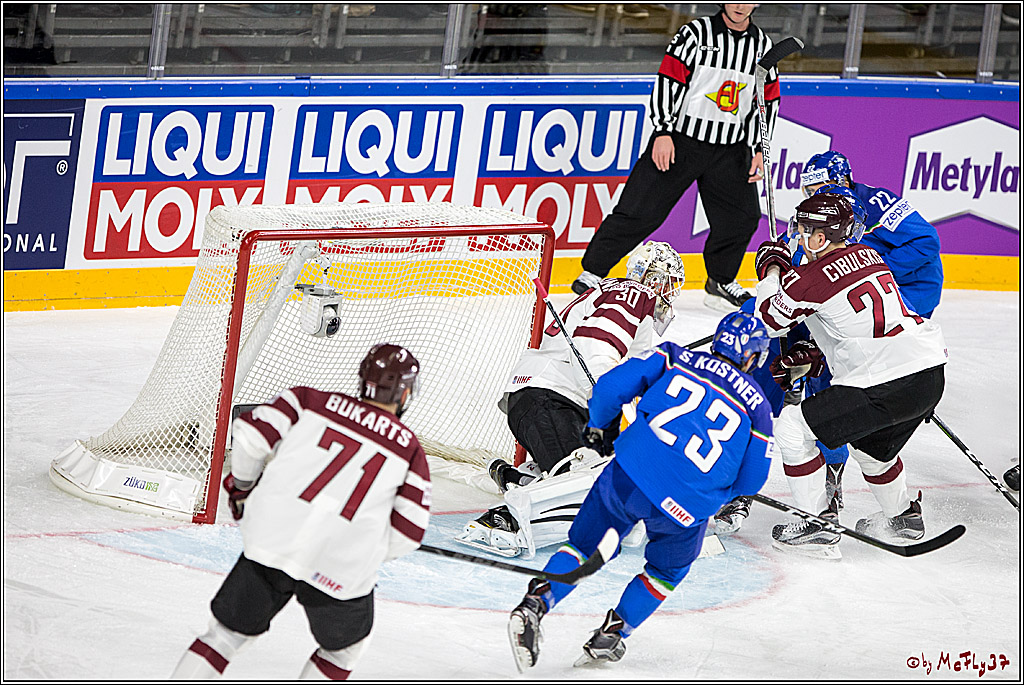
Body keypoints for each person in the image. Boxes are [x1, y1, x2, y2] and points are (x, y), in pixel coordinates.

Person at [507, 311, 774, 671]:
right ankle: (612, 635)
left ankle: (535, 604)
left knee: (584, 547)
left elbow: (610, 388)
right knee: (665, 573)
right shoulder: (760, 409)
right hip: (687, 506)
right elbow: (752, 481)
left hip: (631, 473)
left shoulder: (676, 356)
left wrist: (599, 426)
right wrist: (714, 494)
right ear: (753, 357)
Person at [170, 344, 430, 681]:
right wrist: (364, 549)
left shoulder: (308, 401)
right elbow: (409, 533)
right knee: (343, 652)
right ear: (405, 393)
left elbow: (248, 436)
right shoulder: (410, 450)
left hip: (274, 539)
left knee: (224, 636)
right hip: (339, 565)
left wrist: (244, 487)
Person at [457, 242, 686, 558]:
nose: (671, 292)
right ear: (649, 277)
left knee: (615, 478)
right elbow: (595, 348)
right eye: (668, 281)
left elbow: (627, 373)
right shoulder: (634, 294)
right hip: (551, 399)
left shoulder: (624, 299)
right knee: (591, 486)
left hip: (550, 401)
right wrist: (614, 407)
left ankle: (522, 478)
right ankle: (503, 520)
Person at [753, 193, 948, 559]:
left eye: (804, 230)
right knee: (872, 450)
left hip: (883, 380)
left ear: (821, 238)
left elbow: (769, 320)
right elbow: (852, 320)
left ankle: (816, 524)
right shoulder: (869, 255)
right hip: (928, 373)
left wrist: (773, 270)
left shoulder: (809, 280)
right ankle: (902, 518)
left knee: (793, 428)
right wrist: (819, 353)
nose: (797, 236)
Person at [571, 4, 779, 313]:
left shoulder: (762, 45)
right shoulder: (695, 34)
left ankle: (720, 281)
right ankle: (593, 271)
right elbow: (669, 80)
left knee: (742, 217)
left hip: (731, 147)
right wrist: (663, 131)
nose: (740, 5)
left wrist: (761, 147)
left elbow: (767, 97)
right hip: (681, 140)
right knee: (640, 209)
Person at [713, 183, 870, 533]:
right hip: (782, 332)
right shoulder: (802, 240)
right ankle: (737, 488)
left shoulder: (862, 259)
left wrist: (815, 354)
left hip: (829, 347)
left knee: (830, 415)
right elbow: (763, 308)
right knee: (751, 403)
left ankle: (829, 485)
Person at [800, 150, 943, 318]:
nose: (815, 197)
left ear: (844, 182)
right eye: (809, 191)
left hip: (914, 287)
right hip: (878, 287)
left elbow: (927, 240)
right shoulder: (826, 209)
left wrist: (876, 270)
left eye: (822, 189)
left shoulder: (878, 204)